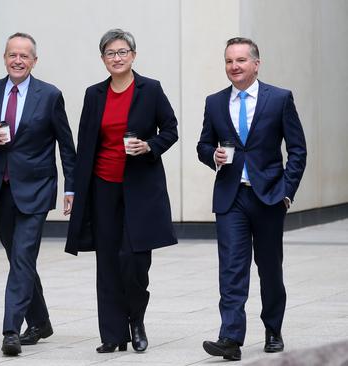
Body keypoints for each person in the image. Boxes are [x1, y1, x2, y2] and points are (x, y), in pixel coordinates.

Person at [65, 28, 178, 354]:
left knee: (135, 261)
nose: (117, 58)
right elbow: (84, 144)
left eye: (122, 52)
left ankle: (136, 321)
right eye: (110, 53)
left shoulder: (150, 90)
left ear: (133, 55)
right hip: (102, 188)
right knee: (108, 263)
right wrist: (74, 189)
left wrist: (149, 146)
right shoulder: (94, 94)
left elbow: (170, 129)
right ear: (103, 59)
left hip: (140, 187)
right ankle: (113, 334)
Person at [197, 37, 307, 361]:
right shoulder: (215, 102)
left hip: (270, 197)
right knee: (231, 269)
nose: (234, 66)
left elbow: (297, 150)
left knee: (269, 269)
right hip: (231, 198)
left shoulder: (280, 99)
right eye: (229, 61)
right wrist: (212, 156)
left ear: (256, 64)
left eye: (241, 60)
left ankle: (273, 328)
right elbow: (203, 145)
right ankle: (230, 338)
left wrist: (286, 192)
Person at [0, 32, 76, 356]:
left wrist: (71, 187)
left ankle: (10, 330)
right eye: (12, 55)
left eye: (24, 56)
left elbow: (66, 145)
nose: (18, 60)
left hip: (36, 188)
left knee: (22, 255)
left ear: (34, 61)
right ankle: (41, 320)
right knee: (19, 258)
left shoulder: (50, 95)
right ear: (4, 58)